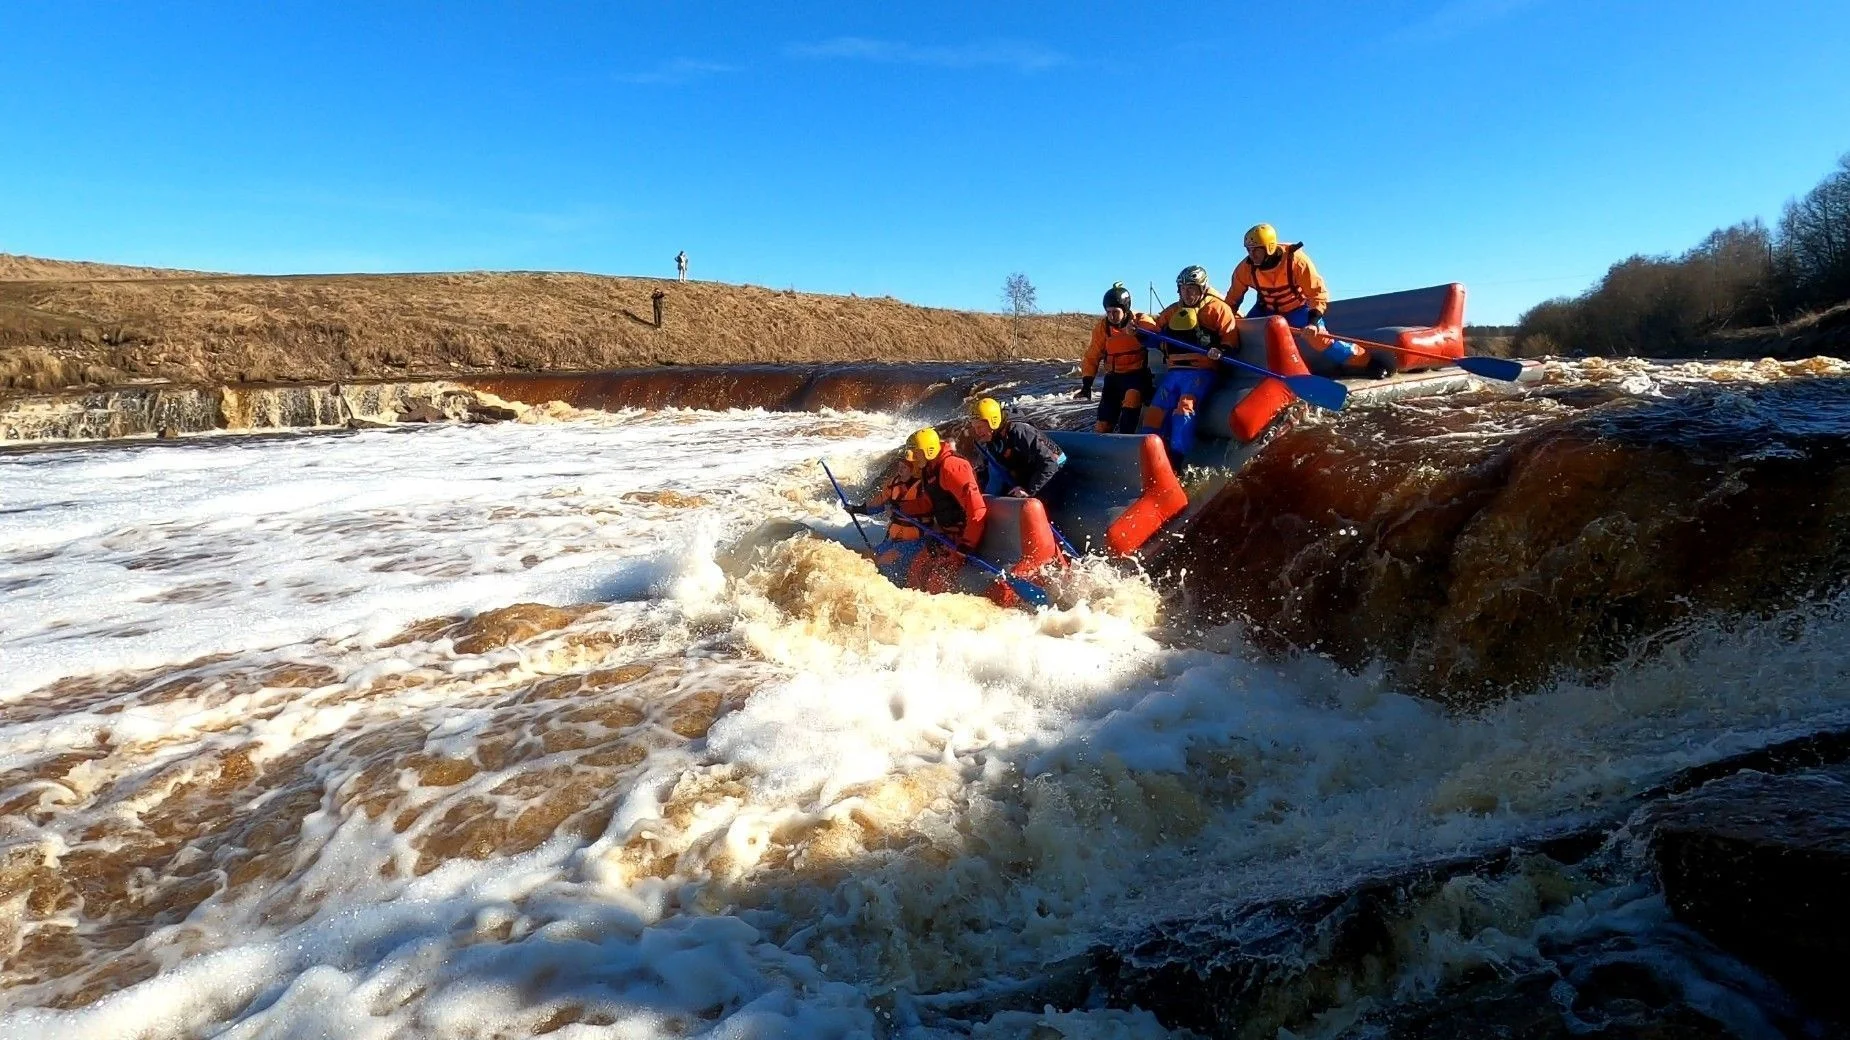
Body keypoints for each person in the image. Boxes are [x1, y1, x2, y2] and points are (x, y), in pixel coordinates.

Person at [849, 428, 987, 593]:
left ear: (929, 451)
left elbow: (976, 509)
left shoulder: (952, 466)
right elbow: (928, 503)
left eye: (916, 453)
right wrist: (902, 507)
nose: (913, 457)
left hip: (960, 538)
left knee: (935, 582)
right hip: (944, 536)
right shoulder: (930, 469)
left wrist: (967, 544)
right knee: (915, 571)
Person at [1226, 224, 1369, 376]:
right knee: (1242, 334)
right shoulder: (1245, 269)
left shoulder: (1296, 261)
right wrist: (1225, 322)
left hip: (1298, 310)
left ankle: (1364, 361)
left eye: (1256, 250)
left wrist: (1313, 323)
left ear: (1270, 247)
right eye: (1248, 250)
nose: (1252, 255)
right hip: (1266, 311)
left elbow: (1317, 293)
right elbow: (1232, 300)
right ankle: (1236, 372)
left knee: (1321, 339)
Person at [1137, 265, 1237, 458]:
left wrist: (1221, 349)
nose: (1187, 293)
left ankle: (1177, 459)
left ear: (1202, 288)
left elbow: (1230, 338)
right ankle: (1148, 456)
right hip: (1174, 372)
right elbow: (1154, 334)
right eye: (1183, 288)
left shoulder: (1218, 309)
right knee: (1155, 411)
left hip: (1202, 371)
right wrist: (1140, 330)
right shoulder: (1172, 311)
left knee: (1185, 407)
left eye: (1191, 288)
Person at [1078, 282, 1157, 434]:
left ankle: (1126, 437)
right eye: (1108, 312)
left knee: (1131, 398)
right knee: (1102, 426)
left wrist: (1139, 333)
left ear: (1125, 310)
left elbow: (1156, 336)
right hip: (1114, 379)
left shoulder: (1140, 320)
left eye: (1115, 312)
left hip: (1137, 377)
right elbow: (1092, 356)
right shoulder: (1103, 328)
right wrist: (1087, 384)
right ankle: (1103, 442)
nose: (1112, 316)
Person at [966, 397, 1066, 498]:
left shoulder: (1020, 431)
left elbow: (1050, 463)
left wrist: (1028, 490)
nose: (977, 432)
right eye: (975, 427)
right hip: (1024, 469)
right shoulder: (992, 437)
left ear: (993, 422)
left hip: (1053, 470)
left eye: (980, 427)